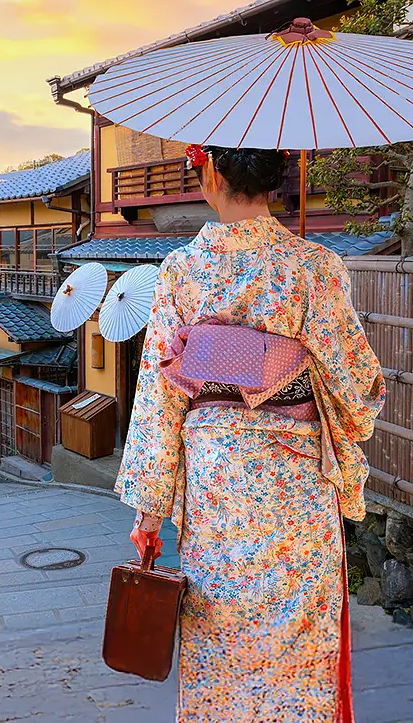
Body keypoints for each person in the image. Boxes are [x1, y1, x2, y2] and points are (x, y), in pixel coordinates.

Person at [116, 145, 385, 723]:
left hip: (216, 487)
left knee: (220, 643)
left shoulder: (181, 271)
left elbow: (160, 396)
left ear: (211, 172)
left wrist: (149, 511)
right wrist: (301, 378)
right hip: (295, 484)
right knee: (297, 651)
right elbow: (358, 387)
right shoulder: (314, 266)